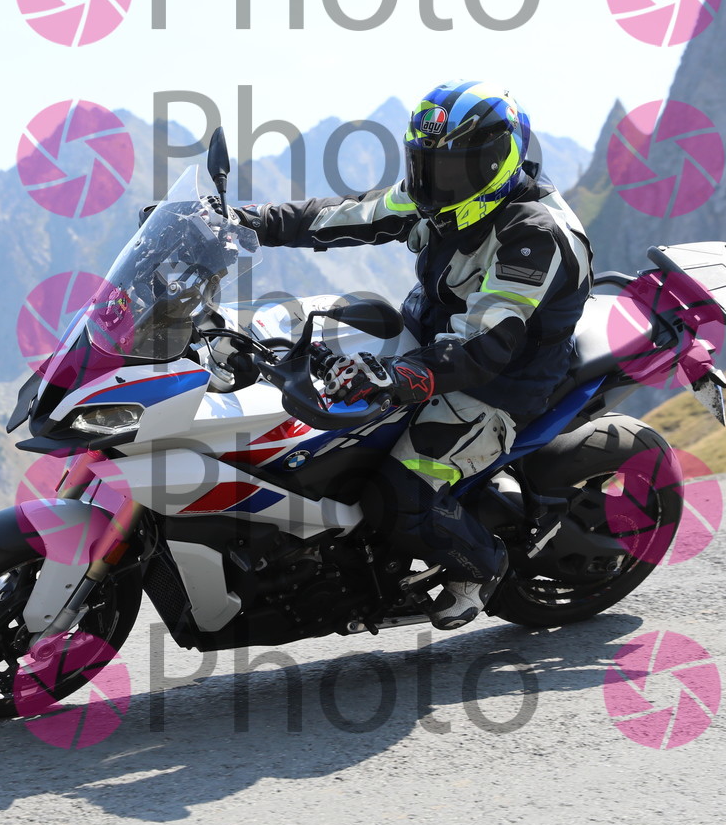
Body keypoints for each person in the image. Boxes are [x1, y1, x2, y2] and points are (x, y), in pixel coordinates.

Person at [235, 80, 594, 629]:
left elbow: (483, 343)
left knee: (398, 494)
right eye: (426, 165)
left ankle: (481, 567)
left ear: (497, 162)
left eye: (452, 168)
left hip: (496, 385)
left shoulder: (533, 236)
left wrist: (400, 376)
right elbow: (350, 214)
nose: (434, 182)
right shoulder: (440, 198)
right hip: (424, 341)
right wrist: (252, 221)